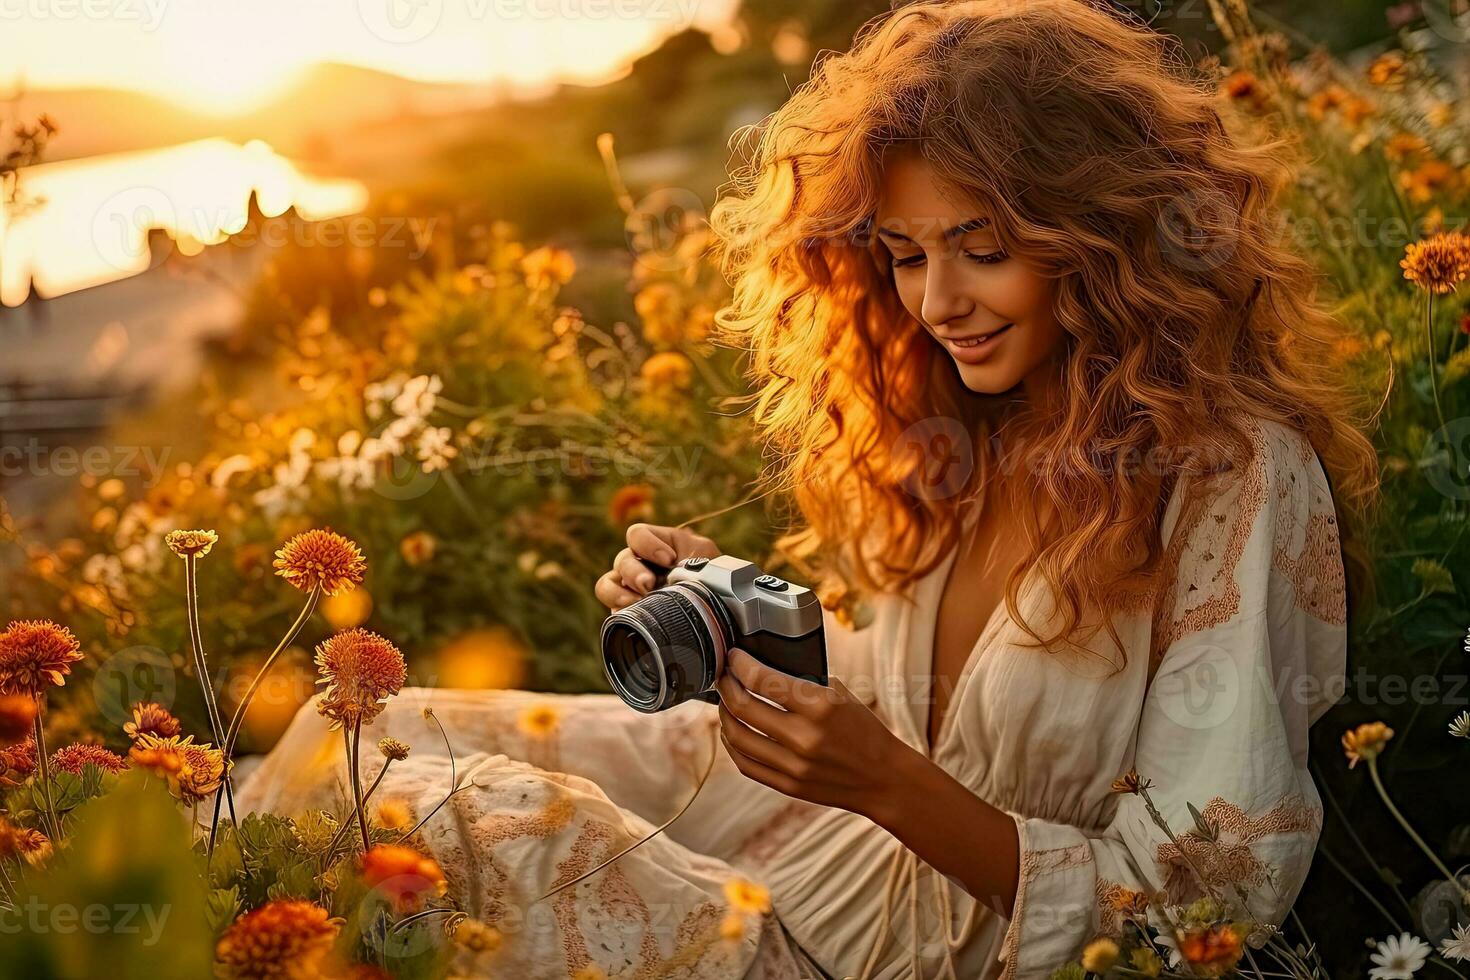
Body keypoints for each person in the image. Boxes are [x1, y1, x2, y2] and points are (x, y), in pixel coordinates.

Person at [239, 1, 1379, 977]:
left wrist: (883, 783)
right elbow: (916, 697)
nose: (939, 301)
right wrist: (739, 608)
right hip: (801, 832)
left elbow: (1197, 910)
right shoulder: (971, 421)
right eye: (904, 252)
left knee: (439, 824)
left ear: (1100, 232)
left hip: (881, 952)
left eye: (983, 247)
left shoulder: (1229, 476)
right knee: (369, 726)